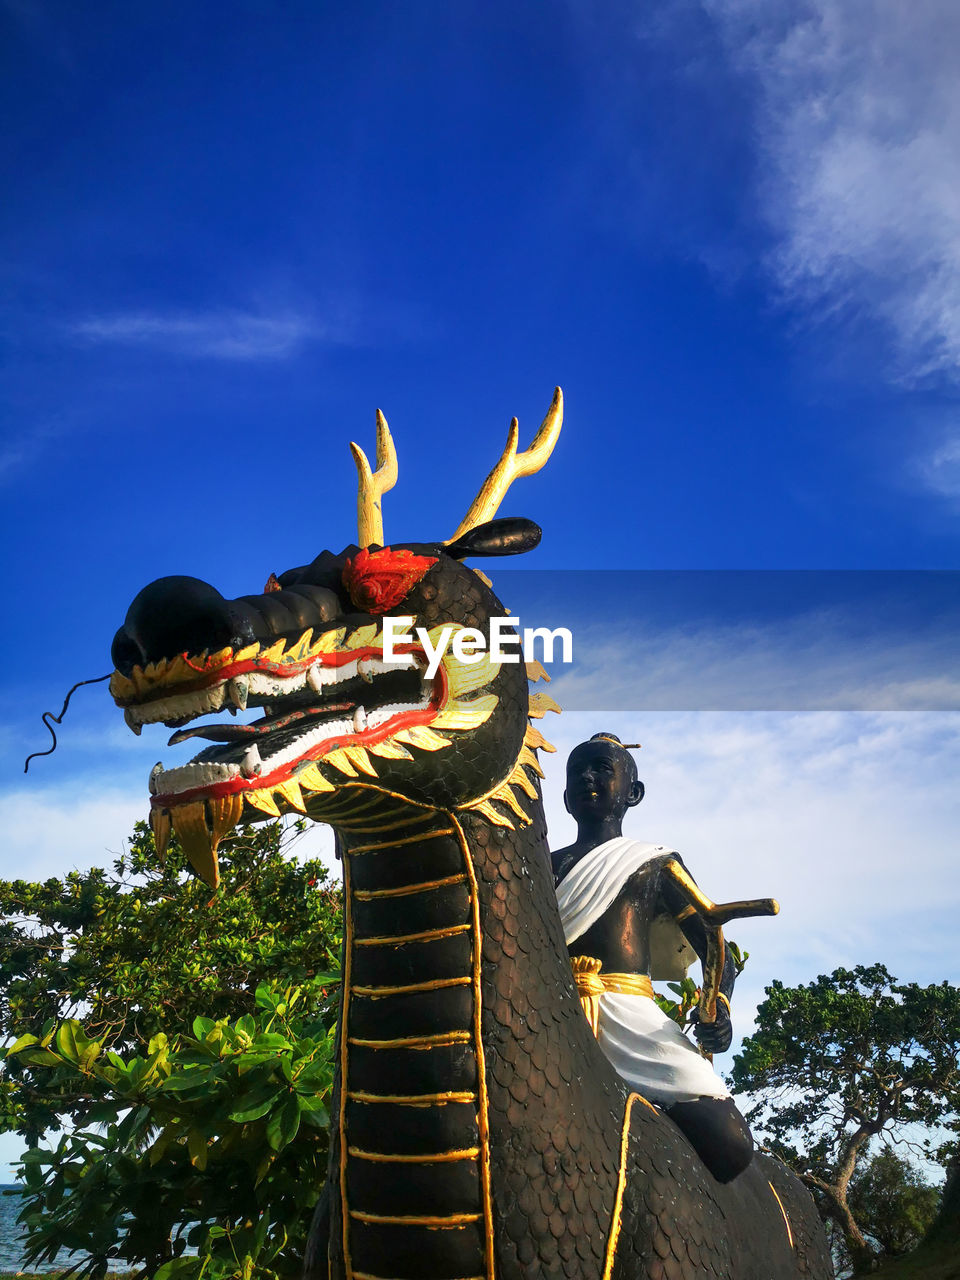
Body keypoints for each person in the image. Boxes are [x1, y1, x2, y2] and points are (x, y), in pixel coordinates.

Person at [551, 733, 754, 1184]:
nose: (587, 777)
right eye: (577, 771)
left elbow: (714, 948)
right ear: (564, 797)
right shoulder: (541, 864)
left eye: (602, 768)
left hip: (630, 1017)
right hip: (549, 1009)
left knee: (730, 1142)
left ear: (633, 792)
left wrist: (715, 1007)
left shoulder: (652, 863)